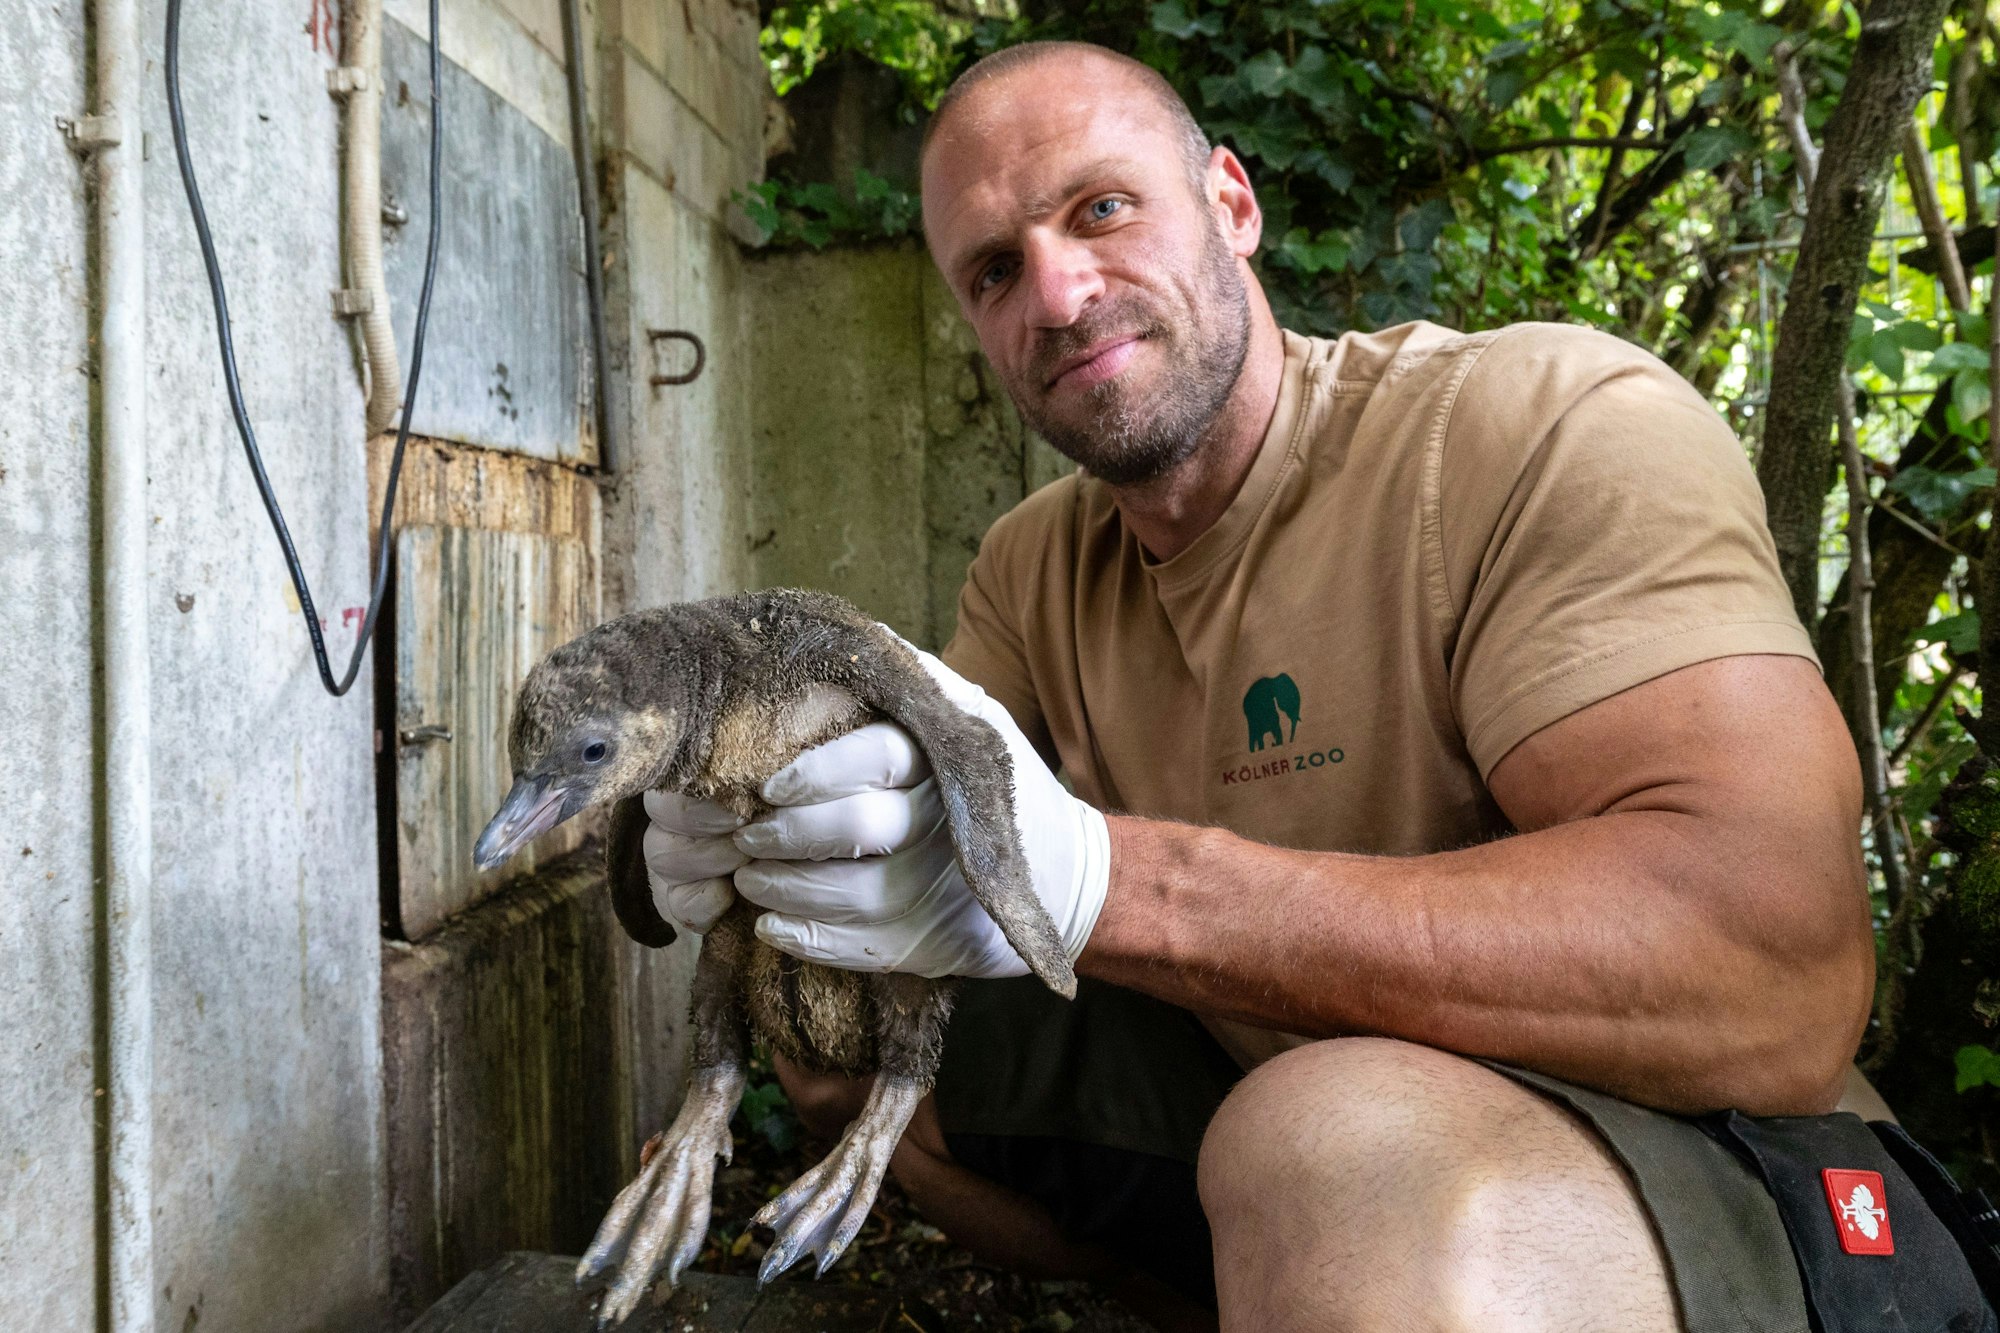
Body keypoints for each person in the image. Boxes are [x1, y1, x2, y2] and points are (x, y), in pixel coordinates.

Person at [639, 39, 1984, 1333]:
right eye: (995, 270)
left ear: (1232, 204)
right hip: (1295, 1124)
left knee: (1320, 1147)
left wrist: (1112, 881)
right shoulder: (1035, 568)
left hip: (1749, 1183)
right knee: (836, 1028)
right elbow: (898, 805)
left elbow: (1777, 969)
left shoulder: (1540, 424)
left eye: (1101, 209)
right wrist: (747, 825)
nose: (1056, 294)